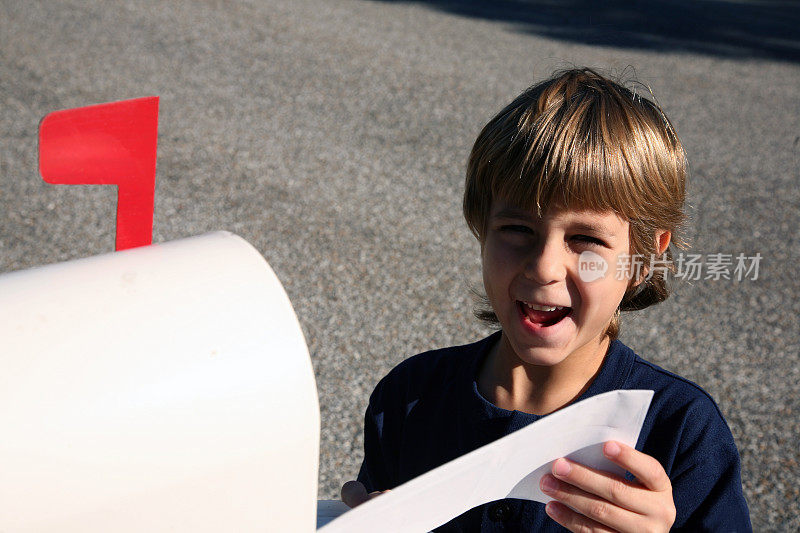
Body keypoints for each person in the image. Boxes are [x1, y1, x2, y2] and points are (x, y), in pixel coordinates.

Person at [340, 68, 752, 532]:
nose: (544, 266)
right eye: (518, 230)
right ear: (481, 227)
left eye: (585, 238)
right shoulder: (409, 398)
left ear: (640, 261)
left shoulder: (680, 432)